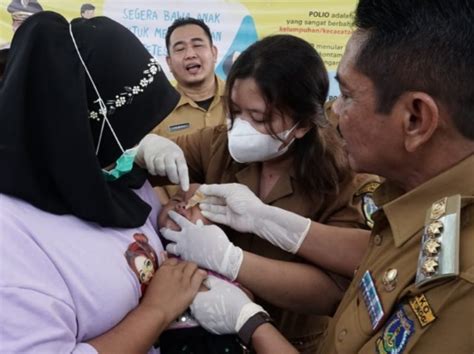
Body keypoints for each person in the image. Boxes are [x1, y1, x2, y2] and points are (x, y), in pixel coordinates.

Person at [171, 0, 474, 352]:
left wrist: (248, 317)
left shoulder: (460, 283)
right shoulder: (417, 207)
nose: (334, 112)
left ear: (415, 119)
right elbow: (379, 252)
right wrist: (267, 220)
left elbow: (334, 291)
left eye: (346, 95)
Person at [142, 34, 381, 352]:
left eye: (258, 118)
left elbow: (333, 292)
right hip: (212, 336)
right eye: (235, 111)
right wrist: (143, 150)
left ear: (302, 125)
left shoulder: (343, 179)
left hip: (292, 341)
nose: (240, 127)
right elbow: (150, 165)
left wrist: (232, 261)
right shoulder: (219, 144)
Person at [0, 11, 205, 353]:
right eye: (128, 135)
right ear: (81, 131)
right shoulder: (10, 238)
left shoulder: (100, 173)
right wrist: (156, 312)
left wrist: (166, 219)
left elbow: (127, 232)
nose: (134, 146)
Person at [156, 184, 244, 354]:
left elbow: (246, 297)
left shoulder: (219, 259)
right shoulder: (154, 251)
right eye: (176, 199)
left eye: (198, 206)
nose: (182, 206)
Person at [152, 17, 225, 138]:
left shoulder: (240, 99)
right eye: (180, 49)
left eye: (197, 45)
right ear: (169, 62)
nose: (190, 55)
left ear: (214, 53)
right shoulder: (157, 113)